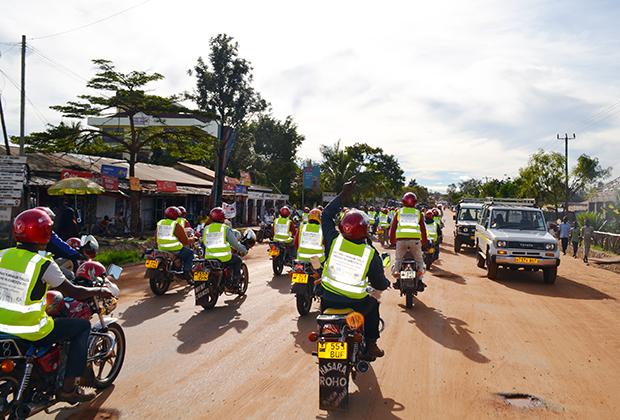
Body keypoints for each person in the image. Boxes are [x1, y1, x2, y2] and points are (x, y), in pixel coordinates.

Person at [0, 209, 114, 403]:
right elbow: (75, 292)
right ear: (45, 233)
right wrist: (98, 291)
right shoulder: (43, 264)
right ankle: (69, 389)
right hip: (30, 329)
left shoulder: (2, 255)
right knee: (82, 327)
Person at [320, 180, 389, 360]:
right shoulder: (370, 253)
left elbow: (326, 214)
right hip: (357, 303)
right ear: (365, 230)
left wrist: (343, 195)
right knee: (373, 305)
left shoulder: (333, 240)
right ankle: (372, 343)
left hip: (327, 298)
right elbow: (379, 283)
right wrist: (387, 282)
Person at [389, 192, 427, 289]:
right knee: (419, 260)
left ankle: (397, 272)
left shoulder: (399, 212)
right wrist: (424, 242)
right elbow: (423, 229)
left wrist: (392, 240)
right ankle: (419, 276)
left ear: (403, 201)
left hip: (401, 241)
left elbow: (393, 228)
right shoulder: (418, 213)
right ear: (415, 202)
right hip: (415, 241)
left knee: (398, 260)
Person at [203, 207, 247, 281]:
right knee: (238, 260)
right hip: (224, 258)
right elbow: (234, 244)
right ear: (222, 218)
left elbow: (204, 242)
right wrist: (244, 250)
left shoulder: (206, 228)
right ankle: (236, 281)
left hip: (209, 258)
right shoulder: (225, 228)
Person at [155, 206, 195, 279]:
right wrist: (194, 239)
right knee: (190, 253)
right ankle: (186, 272)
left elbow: (156, 237)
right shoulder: (176, 225)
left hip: (161, 249)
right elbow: (185, 241)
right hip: (175, 249)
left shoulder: (160, 223)